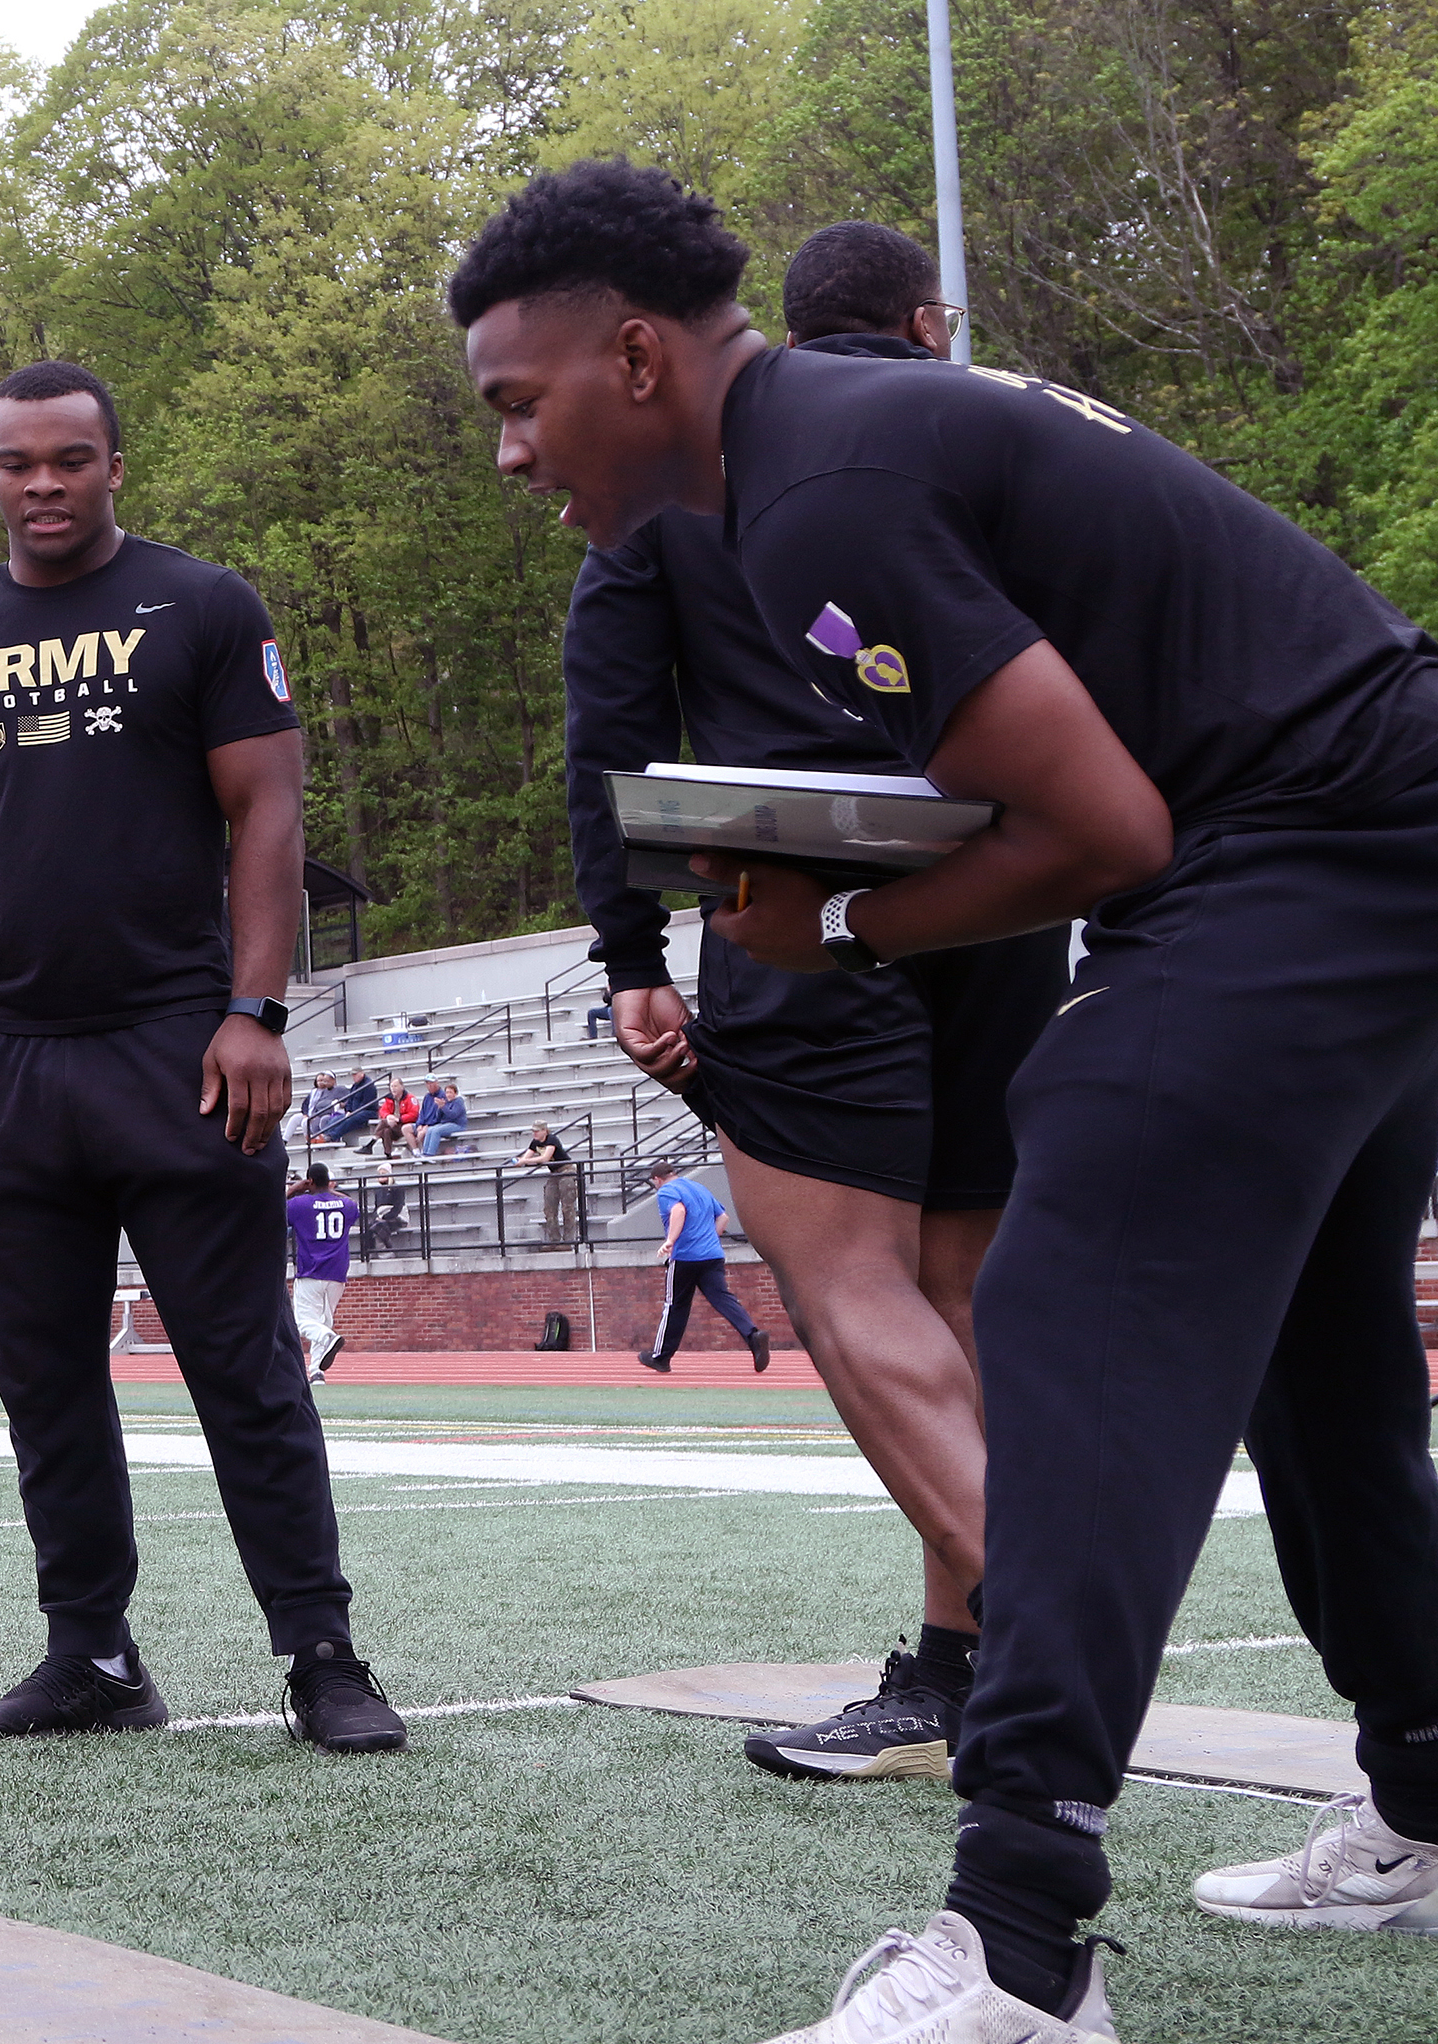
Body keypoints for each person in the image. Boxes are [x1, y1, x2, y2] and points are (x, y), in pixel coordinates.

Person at [454, 159, 1438, 2043]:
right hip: (1386, 826)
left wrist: (845, 924)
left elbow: (1101, 826)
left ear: (633, 358)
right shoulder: (828, 445)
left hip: (1316, 848)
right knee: (1318, 1363)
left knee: (1067, 1282)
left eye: (514, 401)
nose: (509, 454)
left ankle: (1021, 1950)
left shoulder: (817, 494)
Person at [560, 214, 1067, 1789]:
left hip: (803, 895)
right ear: (928, 322)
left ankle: (1046, 1667)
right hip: (1000, 883)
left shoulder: (677, 486)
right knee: (965, 1293)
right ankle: (966, 1669)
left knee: (851, 1286)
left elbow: (613, 732)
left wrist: (631, 956)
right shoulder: (968, 433)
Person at [0, 357, 397, 1757]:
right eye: (16, 464)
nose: (42, 485)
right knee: (46, 1379)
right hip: (9, 1065)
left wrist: (257, 1011)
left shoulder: (206, 608)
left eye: (69, 460)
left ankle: (322, 1653)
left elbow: (269, 816)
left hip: (183, 1046)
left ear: (115, 466)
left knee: (243, 1367)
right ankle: (91, 1655)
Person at [638, 1158, 766, 1373]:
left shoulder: (667, 1191)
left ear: (657, 1180)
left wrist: (670, 1240)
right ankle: (753, 1336)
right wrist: (708, 1240)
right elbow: (723, 1218)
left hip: (686, 1256)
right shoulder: (699, 1188)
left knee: (675, 1305)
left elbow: (678, 1211)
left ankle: (660, 1357)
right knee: (723, 1298)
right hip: (712, 1255)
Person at [283, 1165, 354, 1381]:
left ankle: (328, 1339)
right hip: (338, 1271)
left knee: (304, 1322)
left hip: (310, 1270)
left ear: (310, 1181)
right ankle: (316, 1371)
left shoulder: (300, 1204)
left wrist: (295, 1188)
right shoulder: (346, 1204)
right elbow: (352, 1204)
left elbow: (274, 1208)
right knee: (323, 1320)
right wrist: (329, 1190)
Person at [510, 1123, 580, 1245]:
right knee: (549, 1208)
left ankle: (569, 1240)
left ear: (544, 1131)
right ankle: (555, 1240)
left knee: (567, 1207)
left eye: (537, 1131)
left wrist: (524, 1161)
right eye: (533, 1131)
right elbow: (526, 1157)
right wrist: (521, 1161)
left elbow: (545, 1158)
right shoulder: (534, 1143)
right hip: (554, 1173)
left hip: (566, 1170)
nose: (534, 1134)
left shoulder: (552, 1139)